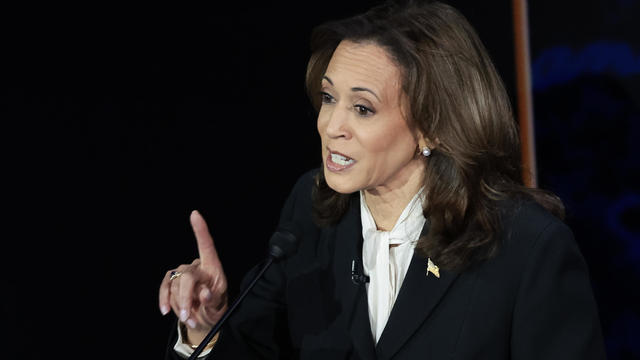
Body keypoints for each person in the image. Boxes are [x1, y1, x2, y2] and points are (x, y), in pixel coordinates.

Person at [158, 1, 607, 358]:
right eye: (329, 97)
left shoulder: (527, 248)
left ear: (433, 126)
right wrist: (203, 328)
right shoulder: (313, 213)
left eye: (362, 108)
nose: (331, 125)